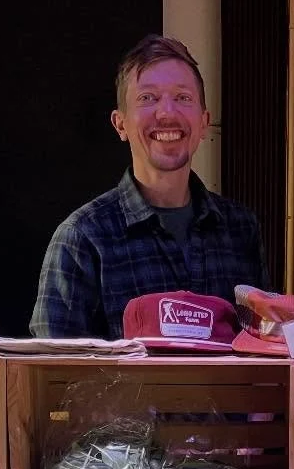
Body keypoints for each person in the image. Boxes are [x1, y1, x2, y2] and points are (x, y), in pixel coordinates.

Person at [30, 35, 270, 338]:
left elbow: (263, 348)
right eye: (148, 98)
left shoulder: (241, 229)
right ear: (121, 124)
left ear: (203, 122)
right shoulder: (83, 237)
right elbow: (51, 373)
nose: (167, 113)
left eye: (183, 98)